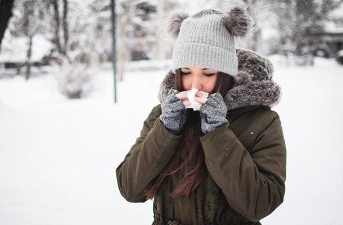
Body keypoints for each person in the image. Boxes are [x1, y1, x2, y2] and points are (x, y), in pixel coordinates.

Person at [116, 6, 286, 225]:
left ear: (225, 74)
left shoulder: (261, 121)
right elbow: (130, 189)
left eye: (207, 73)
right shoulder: (162, 115)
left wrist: (217, 131)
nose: (195, 85)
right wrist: (166, 130)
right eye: (186, 72)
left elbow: (260, 203)